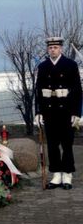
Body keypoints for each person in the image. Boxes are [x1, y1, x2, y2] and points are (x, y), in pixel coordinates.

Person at [33, 35, 82, 189]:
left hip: (66, 111)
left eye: (55, 47)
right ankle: (56, 174)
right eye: (50, 47)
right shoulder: (43, 66)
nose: (52, 50)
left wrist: (76, 113)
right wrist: (38, 112)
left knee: (67, 144)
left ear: (61, 48)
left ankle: (67, 175)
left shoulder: (70, 64)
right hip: (49, 111)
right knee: (52, 144)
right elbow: (38, 91)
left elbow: (77, 91)